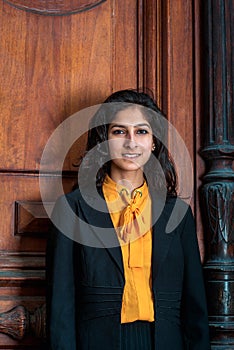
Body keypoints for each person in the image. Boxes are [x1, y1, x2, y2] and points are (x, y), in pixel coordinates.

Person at [46, 89, 210, 350]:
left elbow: (195, 307)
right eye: (119, 131)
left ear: (154, 141)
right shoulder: (72, 209)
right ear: (104, 140)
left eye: (142, 132)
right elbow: (61, 308)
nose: (131, 142)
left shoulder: (177, 214)